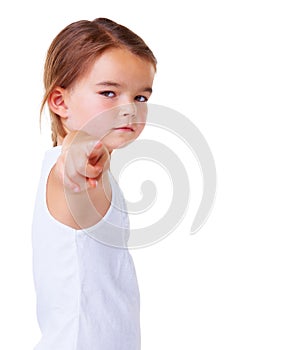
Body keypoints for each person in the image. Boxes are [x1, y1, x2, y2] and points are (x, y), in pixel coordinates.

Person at [32, 18, 157, 350]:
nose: (129, 109)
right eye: (109, 93)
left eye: (141, 97)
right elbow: (76, 149)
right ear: (60, 102)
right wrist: (77, 151)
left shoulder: (99, 168)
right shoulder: (72, 169)